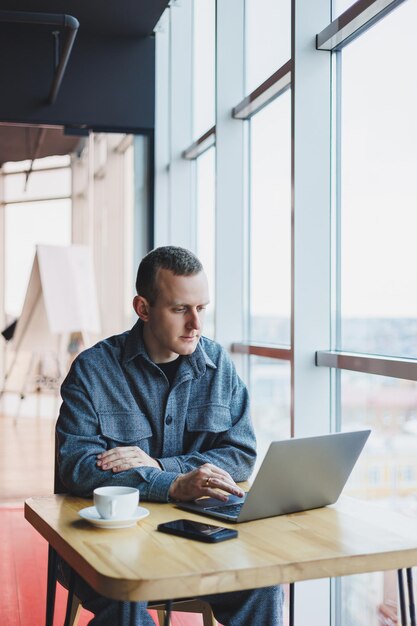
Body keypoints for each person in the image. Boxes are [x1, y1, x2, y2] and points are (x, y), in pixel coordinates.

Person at [56, 245, 283, 626]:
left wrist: (163, 468)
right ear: (143, 309)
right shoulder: (93, 370)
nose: (196, 324)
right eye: (180, 309)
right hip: (108, 543)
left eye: (202, 309)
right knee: (126, 601)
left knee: (264, 582)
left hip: (194, 535)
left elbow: (241, 452)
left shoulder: (218, 365)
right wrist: (173, 483)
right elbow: (78, 467)